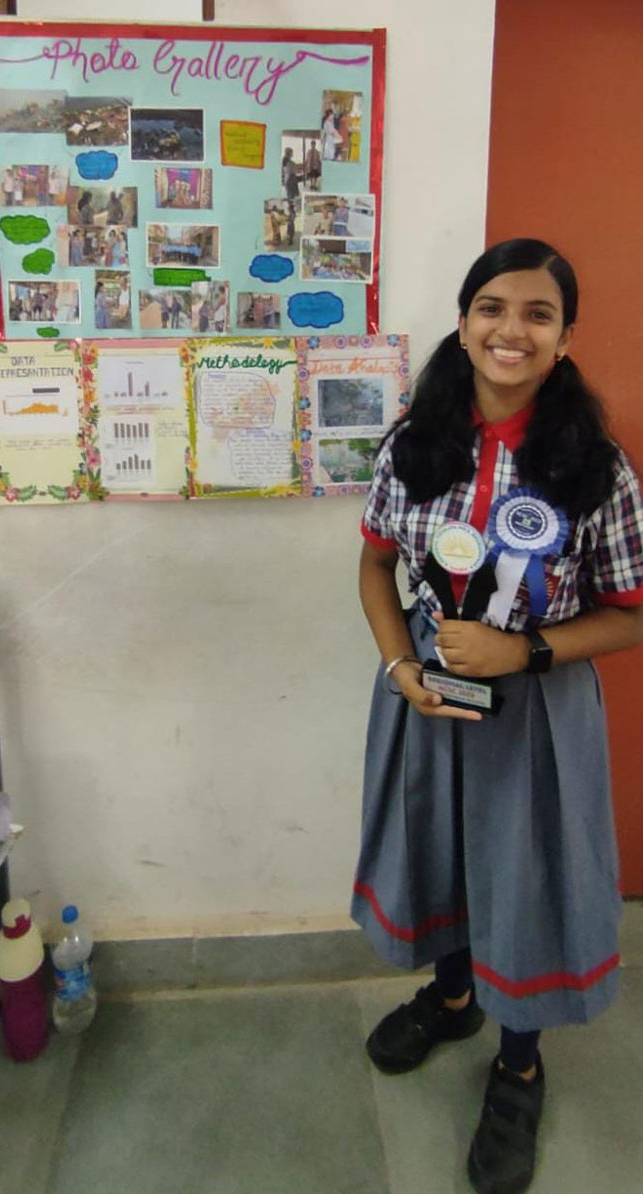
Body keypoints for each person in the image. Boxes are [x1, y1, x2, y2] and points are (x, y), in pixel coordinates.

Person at [353, 238, 643, 1194]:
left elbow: (631, 613)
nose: (511, 329)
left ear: (564, 338)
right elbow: (375, 566)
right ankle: (452, 999)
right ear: (465, 321)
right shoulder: (413, 443)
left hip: (539, 716)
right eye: (492, 308)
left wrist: (526, 651)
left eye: (538, 314)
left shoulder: (596, 468)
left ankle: (519, 1066)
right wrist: (400, 663)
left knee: (526, 879)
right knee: (436, 852)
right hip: (426, 698)